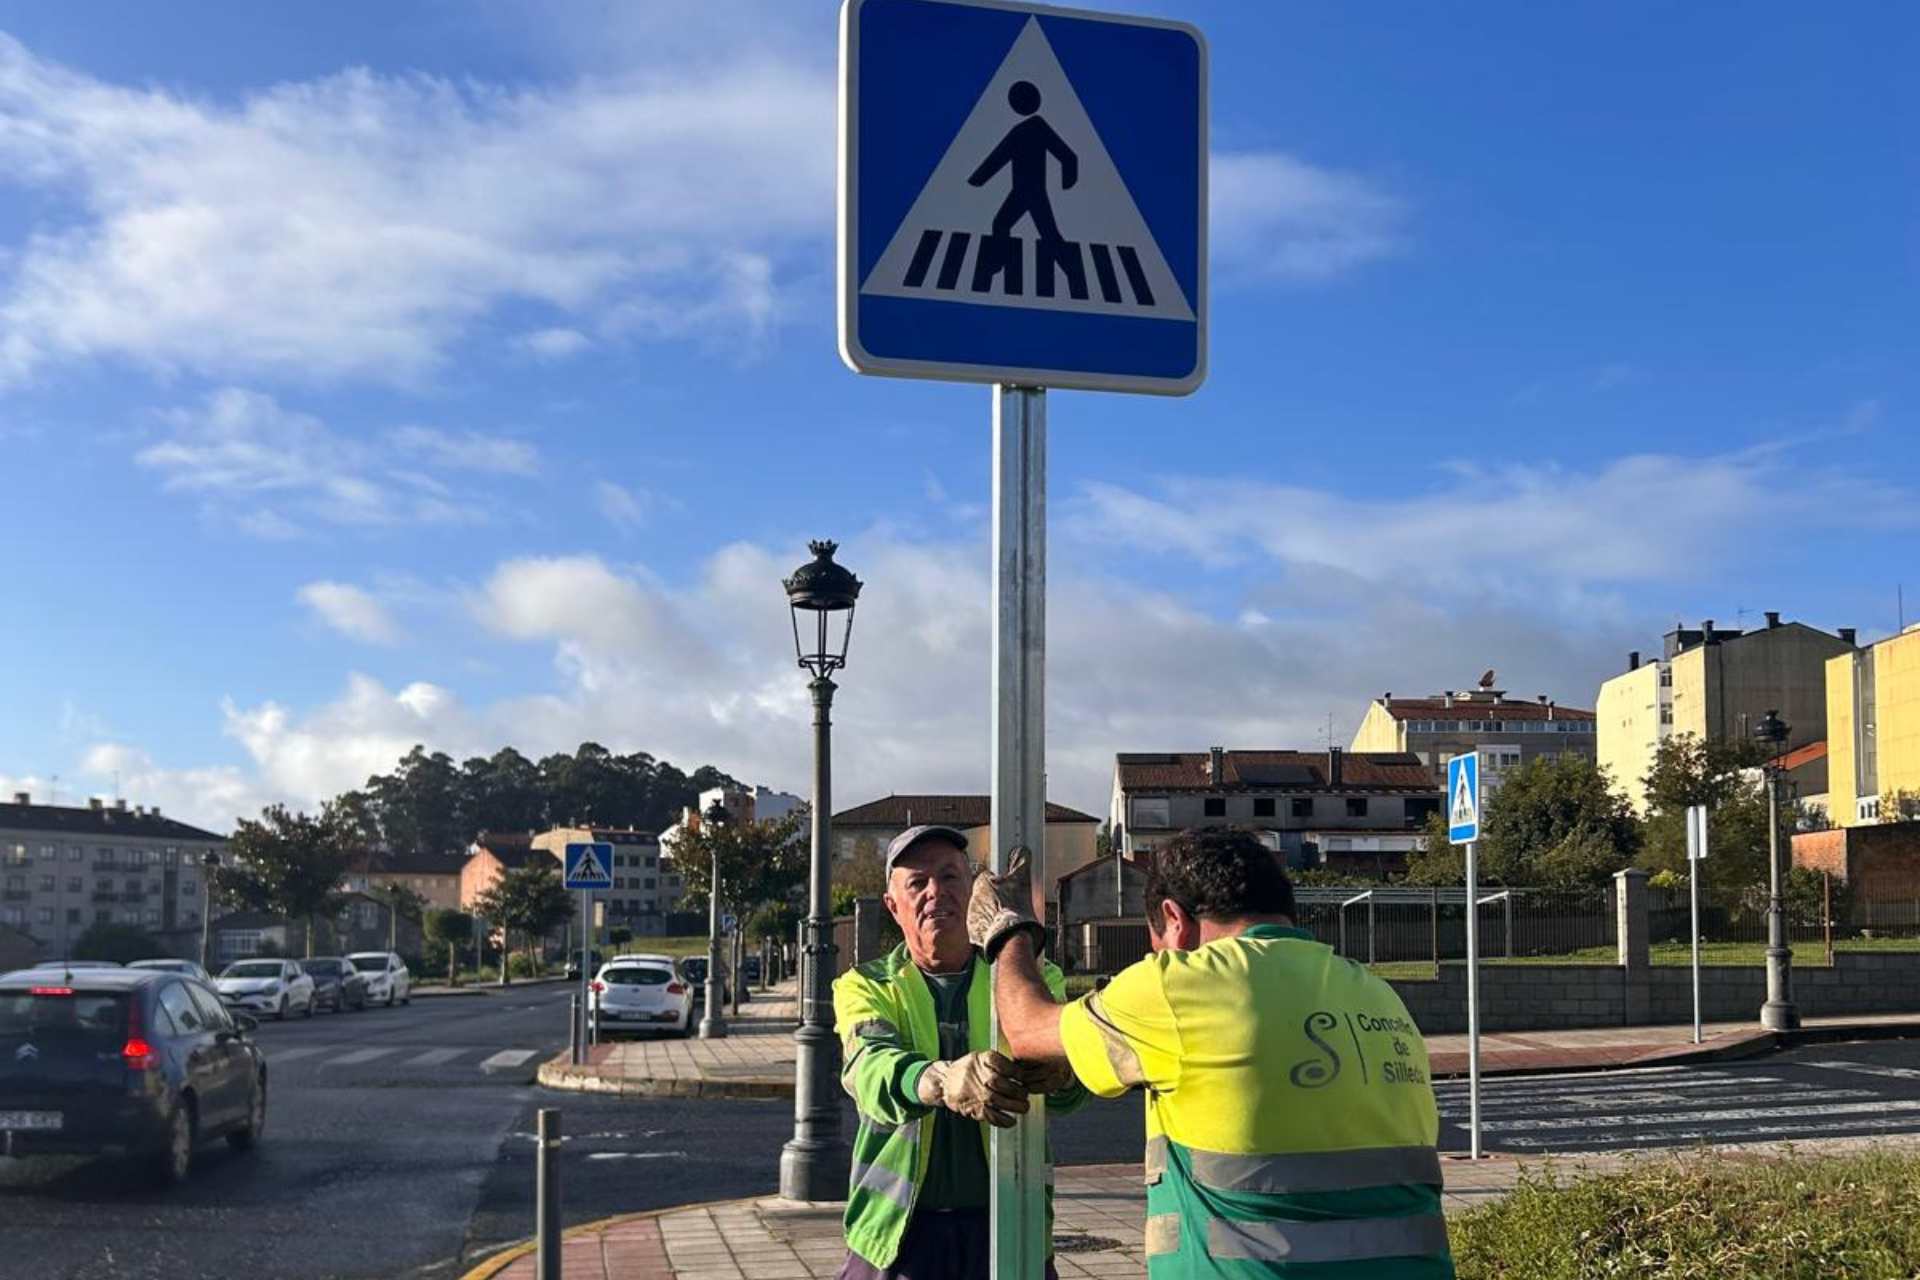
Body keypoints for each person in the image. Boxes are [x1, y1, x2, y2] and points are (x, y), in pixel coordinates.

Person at [970, 827, 1455, 1279]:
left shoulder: (1181, 985)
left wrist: (1009, 931)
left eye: (1154, 941)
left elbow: (1028, 1028)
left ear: (1174, 921)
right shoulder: (1375, 994)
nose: (1156, 955)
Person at [835, 824, 1087, 1280]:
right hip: (895, 1239)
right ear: (893, 907)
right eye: (918, 883)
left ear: (972, 891)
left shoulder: (1026, 976)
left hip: (1010, 1224)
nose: (936, 892)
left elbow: (1070, 1091)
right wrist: (940, 1079)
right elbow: (869, 1068)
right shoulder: (866, 985)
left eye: (950, 877)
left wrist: (1064, 1074)